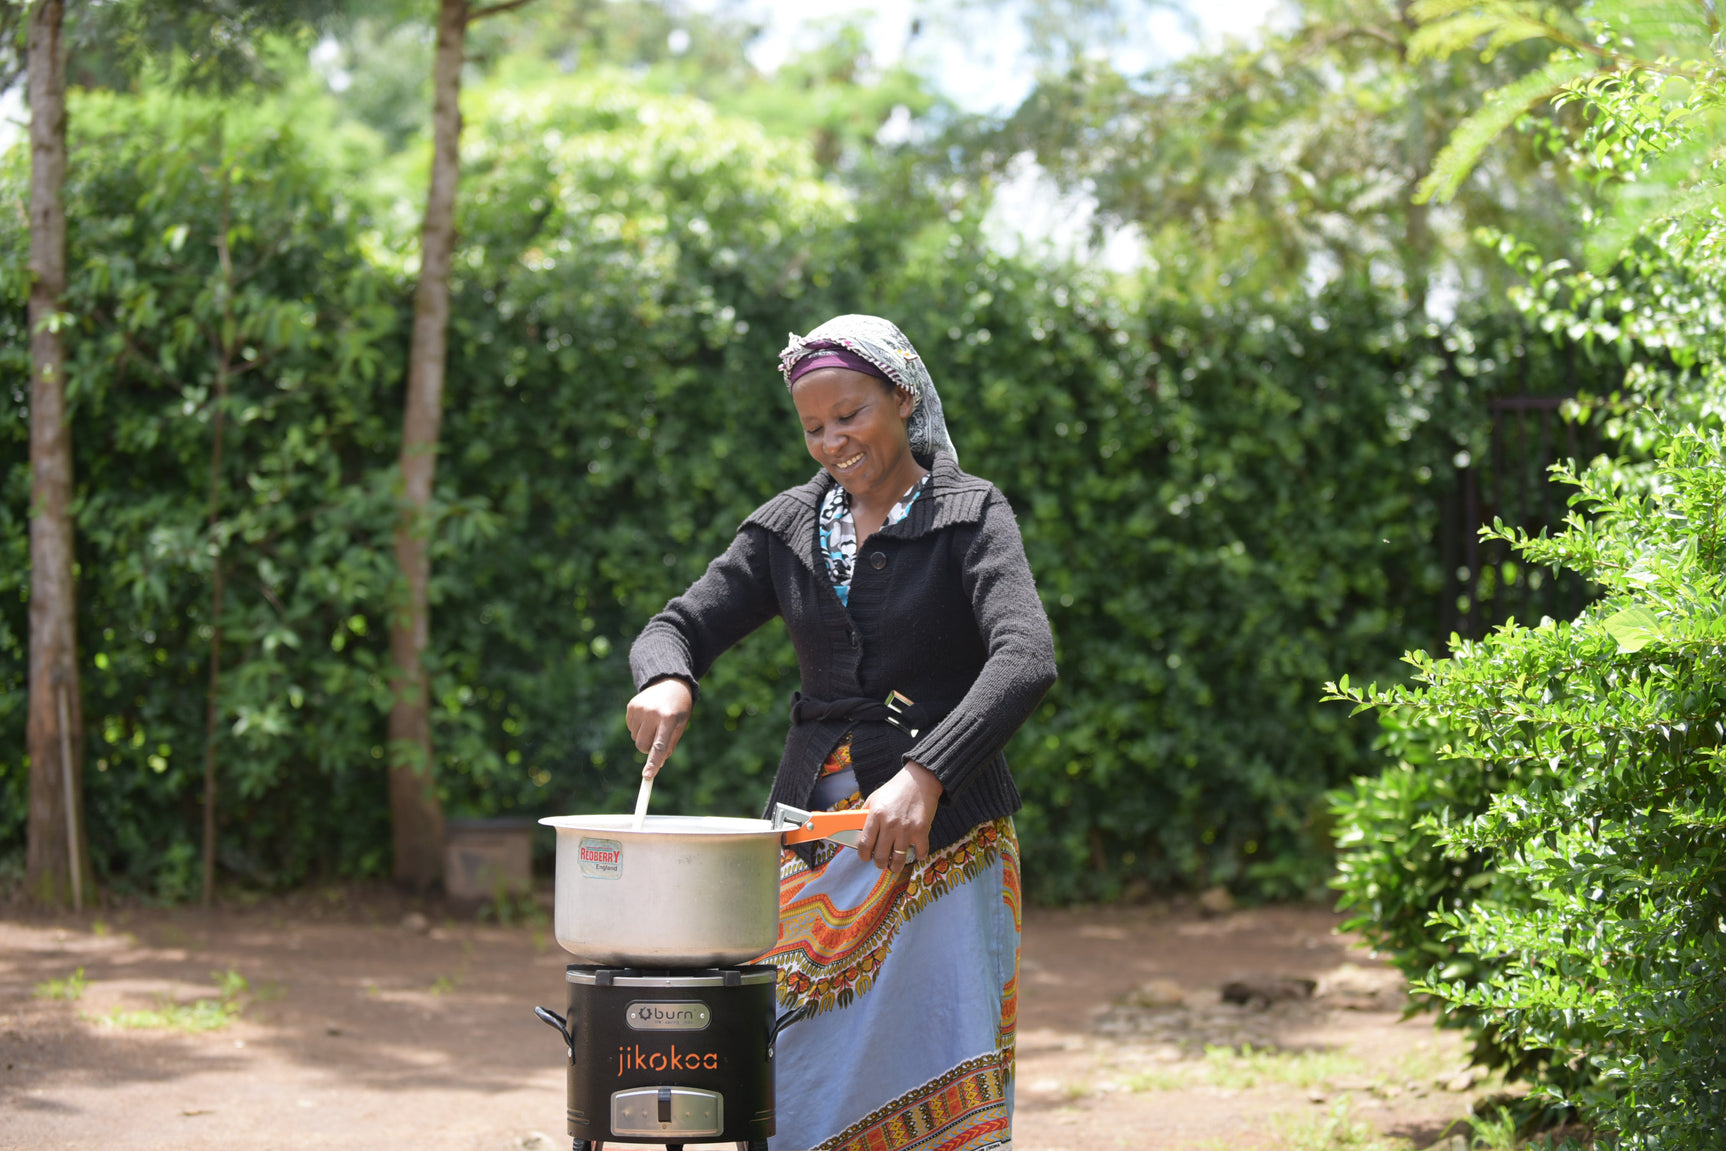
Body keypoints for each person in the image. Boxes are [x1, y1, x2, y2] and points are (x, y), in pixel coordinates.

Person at [625, 313, 1057, 1151]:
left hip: (945, 847)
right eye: (814, 426)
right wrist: (667, 675)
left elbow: (1025, 656)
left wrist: (928, 772)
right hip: (810, 852)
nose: (833, 441)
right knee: (792, 1060)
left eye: (851, 414)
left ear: (903, 396)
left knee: (937, 1055)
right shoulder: (788, 527)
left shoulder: (970, 515)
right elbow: (677, 625)